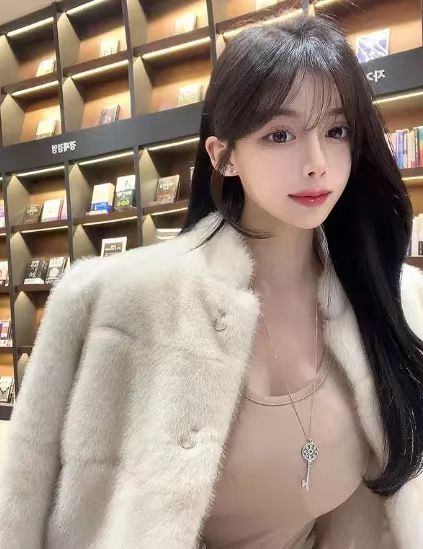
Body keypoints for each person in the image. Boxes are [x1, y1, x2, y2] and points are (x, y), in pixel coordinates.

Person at [0, 12, 422, 549]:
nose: (317, 162)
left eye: (336, 131)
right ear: (223, 157)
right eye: (280, 134)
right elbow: (24, 505)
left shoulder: (394, 299)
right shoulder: (117, 303)